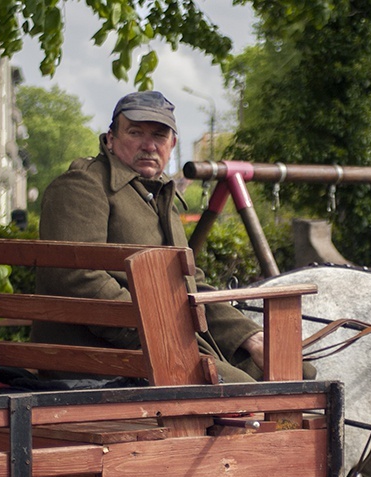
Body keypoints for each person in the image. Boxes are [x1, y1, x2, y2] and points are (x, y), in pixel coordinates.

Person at [31, 91, 312, 383]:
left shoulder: (158, 193)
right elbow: (77, 278)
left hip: (160, 342)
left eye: (159, 136)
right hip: (104, 355)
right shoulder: (83, 185)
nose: (149, 145)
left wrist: (250, 337)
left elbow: (189, 285)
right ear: (111, 138)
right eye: (135, 132)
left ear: (172, 144)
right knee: (248, 391)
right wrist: (163, 332)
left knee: (293, 370)